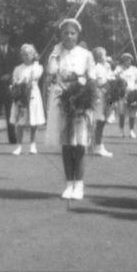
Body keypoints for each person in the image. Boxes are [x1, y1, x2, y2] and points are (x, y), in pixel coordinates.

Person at [44, 18, 96, 200]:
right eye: (65, 33)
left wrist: (83, 93)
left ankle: (79, 184)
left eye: (72, 33)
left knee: (79, 143)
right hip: (62, 99)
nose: (68, 36)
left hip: (80, 99)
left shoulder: (86, 54)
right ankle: (69, 183)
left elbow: (92, 77)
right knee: (66, 143)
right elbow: (51, 73)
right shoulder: (56, 52)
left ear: (78, 34)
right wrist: (55, 54)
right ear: (61, 35)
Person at [9, 44, 45, 156]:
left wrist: (36, 62)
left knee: (33, 120)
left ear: (33, 55)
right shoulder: (17, 68)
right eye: (23, 54)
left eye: (28, 54)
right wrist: (17, 85)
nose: (25, 56)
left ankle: (33, 145)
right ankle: (19, 146)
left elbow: (35, 76)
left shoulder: (38, 67)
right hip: (20, 95)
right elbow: (14, 80)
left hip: (33, 94)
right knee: (20, 120)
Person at [91, 46, 114, 157]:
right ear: (99, 57)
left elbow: (109, 79)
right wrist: (101, 89)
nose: (106, 57)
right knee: (99, 121)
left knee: (103, 120)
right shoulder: (95, 68)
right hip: (99, 98)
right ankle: (97, 146)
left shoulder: (105, 67)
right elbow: (92, 82)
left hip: (106, 97)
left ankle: (98, 144)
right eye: (104, 55)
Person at [116, 53, 137, 139]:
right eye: (126, 60)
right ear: (123, 60)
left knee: (132, 113)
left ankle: (131, 130)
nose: (128, 61)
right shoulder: (119, 69)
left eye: (129, 60)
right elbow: (114, 78)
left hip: (132, 94)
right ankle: (121, 130)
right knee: (122, 113)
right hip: (122, 94)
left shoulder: (134, 70)